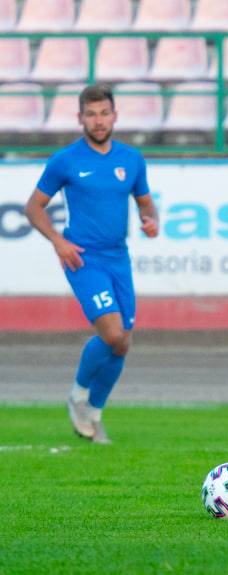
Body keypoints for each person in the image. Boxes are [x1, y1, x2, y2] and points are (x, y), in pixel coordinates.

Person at [25, 83, 158, 445]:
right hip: (83, 258)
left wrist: (151, 220)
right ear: (80, 118)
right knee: (112, 334)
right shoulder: (65, 160)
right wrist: (58, 242)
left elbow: (145, 202)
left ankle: (94, 415)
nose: (98, 121)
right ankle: (78, 394)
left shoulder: (131, 159)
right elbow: (33, 207)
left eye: (104, 113)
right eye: (91, 114)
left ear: (114, 115)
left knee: (123, 343)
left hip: (119, 257)